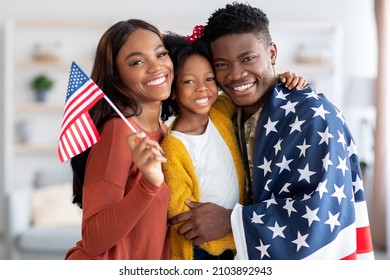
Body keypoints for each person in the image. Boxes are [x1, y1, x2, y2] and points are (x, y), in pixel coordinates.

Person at [170, 2, 374, 260]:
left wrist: (231, 222)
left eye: (248, 58)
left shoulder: (314, 118)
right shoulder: (224, 111)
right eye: (222, 65)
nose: (236, 74)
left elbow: (320, 215)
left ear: (272, 53)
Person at [160, 30, 306, 260]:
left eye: (209, 79)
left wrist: (280, 78)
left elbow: (248, 89)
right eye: (189, 81)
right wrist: (236, 231)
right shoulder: (173, 146)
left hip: (238, 239)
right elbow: (182, 215)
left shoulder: (219, 111)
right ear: (173, 91)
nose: (202, 88)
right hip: (204, 249)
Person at [65, 19, 172, 260]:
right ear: (116, 75)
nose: (156, 67)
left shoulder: (164, 131)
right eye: (137, 62)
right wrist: (149, 185)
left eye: (161, 54)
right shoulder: (120, 132)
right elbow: (93, 239)